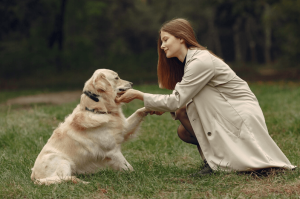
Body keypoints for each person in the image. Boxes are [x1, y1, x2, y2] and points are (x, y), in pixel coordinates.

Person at [115, 18, 295, 176]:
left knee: (181, 111)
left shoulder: (200, 62)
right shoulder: (190, 63)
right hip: (223, 111)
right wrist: (166, 106)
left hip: (238, 113)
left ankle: (215, 163)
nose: (162, 46)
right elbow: (182, 99)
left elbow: (177, 100)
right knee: (183, 129)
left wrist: (139, 95)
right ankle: (214, 161)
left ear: (181, 37)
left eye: (165, 40)